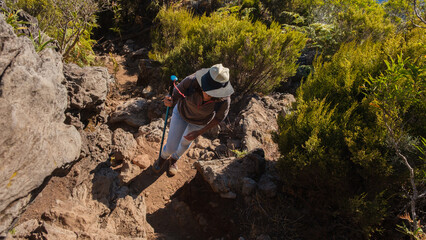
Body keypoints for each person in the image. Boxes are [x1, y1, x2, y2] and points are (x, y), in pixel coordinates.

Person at [152, 63, 234, 176]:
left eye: (210, 92)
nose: (205, 93)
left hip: (200, 123)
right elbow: (175, 95)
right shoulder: (192, 81)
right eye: (205, 88)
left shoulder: (224, 100)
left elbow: (218, 118)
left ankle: (174, 160)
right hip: (181, 113)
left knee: (185, 144)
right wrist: (169, 101)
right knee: (171, 146)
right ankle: (163, 158)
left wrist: (199, 132)